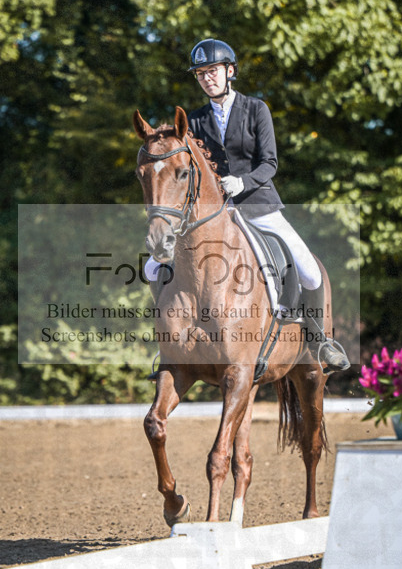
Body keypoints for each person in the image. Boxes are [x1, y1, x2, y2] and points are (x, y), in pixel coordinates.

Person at [147, 37, 350, 371]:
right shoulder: (194, 121)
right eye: (200, 74)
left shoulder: (256, 109)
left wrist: (243, 182)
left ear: (230, 71)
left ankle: (319, 341)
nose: (207, 78)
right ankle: (170, 344)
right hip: (213, 214)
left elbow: (270, 163)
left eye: (212, 71)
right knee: (151, 268)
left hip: (259, 205)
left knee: (310, 271)